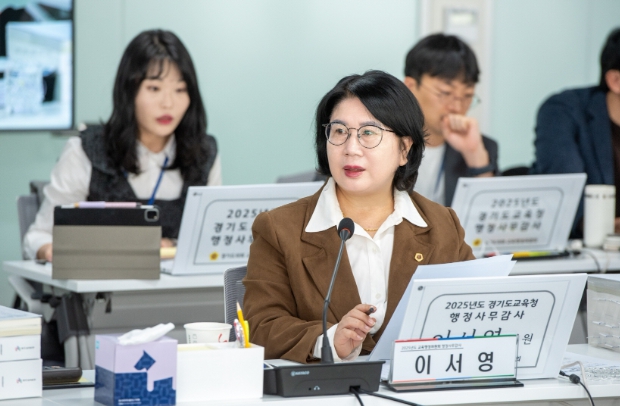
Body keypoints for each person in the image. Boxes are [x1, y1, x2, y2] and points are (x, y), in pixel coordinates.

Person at [243, 71, 474, 363]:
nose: (351, 149)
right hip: (327, 387)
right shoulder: (279, 229)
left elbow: (471, 308)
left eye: (368, 133)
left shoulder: (442, 226)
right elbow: (260, 326)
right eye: (340, 131)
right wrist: (328, 339)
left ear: (404, 149)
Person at [23, 29, 221, 261]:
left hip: (176, 284)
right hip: (100, 281)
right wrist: (50, 250)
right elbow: (38, 236)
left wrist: (171, 245)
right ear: (129, 91)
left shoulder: (203, 153)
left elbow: (210, 241)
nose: (168, 103)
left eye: (180, 89)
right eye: (154, 88)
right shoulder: (85, 150)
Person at [532, 27, 620, 237]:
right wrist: (603, 226)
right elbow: (564, 191)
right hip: (579, 247)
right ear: (615, 81)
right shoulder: (564, 111)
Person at [403, 33, 498, 206]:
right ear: (410, 87)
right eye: (446, 93)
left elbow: (489, 216)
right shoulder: (380, 142)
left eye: (467, 95)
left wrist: (475, 156)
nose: (457, 107)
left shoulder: (483, 147)